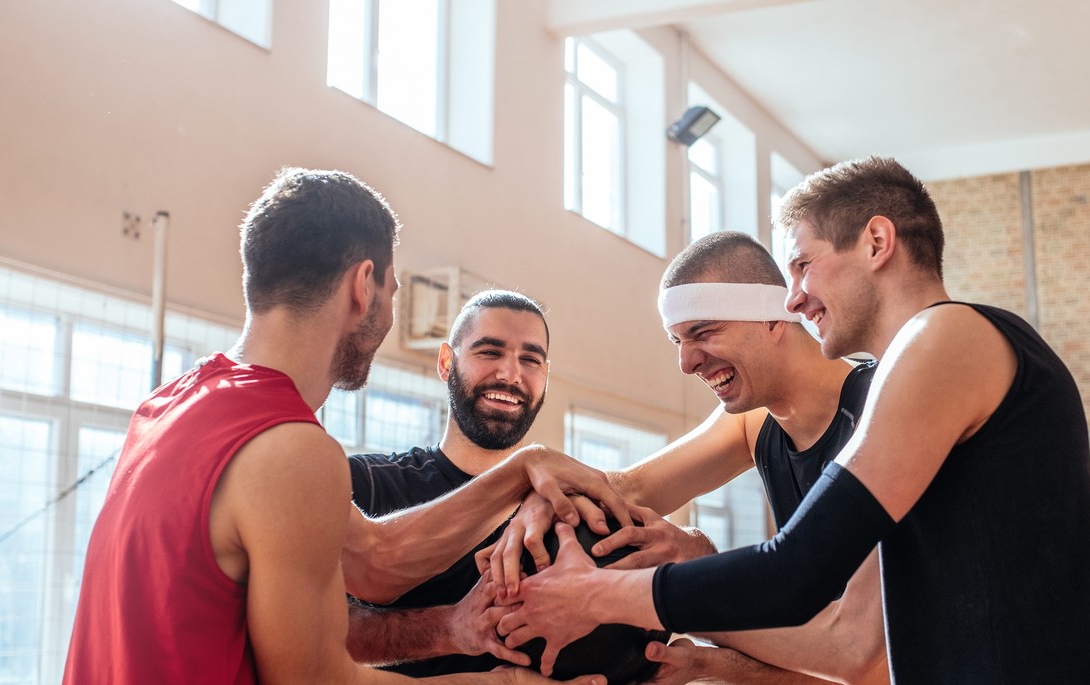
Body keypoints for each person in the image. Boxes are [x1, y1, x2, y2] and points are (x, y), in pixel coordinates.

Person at [496, 157, 1090, 684]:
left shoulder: (948, 336)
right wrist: (540, 492)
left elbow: (804, 582)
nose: (795, 296)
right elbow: (631, 490)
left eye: (803, 265)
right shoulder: (910, 369)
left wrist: (592, 595)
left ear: (877, 243)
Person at [64, 168, 597, 685]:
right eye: (392, 290)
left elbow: (375, 560)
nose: (388, 315)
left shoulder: (169, 406)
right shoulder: (292, 448)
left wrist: (523, 468)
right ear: (363, 284)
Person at [480, 232, 888, 685]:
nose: (686, 362)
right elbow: (631, 487)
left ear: (774, 319)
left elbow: (867, 661)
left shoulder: (885, 412)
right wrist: (547, 499)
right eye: (676, 339)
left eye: (703, 332)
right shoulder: (755, 423)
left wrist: (642, 589)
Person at [345, 290, 633, 677]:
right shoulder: (365, 486)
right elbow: (318, 630)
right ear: (447, 362)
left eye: (530, 360)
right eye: (489, 352)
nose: (510, 375)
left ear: (546, 376)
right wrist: (448, 626)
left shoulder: (570, 508)